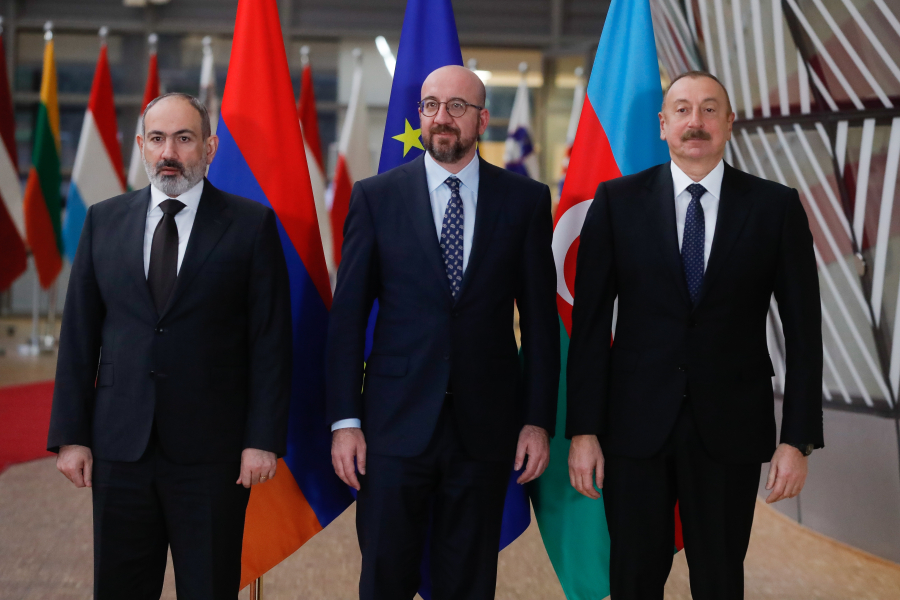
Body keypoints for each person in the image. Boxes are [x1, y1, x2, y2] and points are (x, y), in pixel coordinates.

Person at [566, 71, 823, 599]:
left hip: (731, 428)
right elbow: (589, 328)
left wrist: (796, 439)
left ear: (729, 123)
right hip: (634, 427)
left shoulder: (775, 207)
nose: (695, 121)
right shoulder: (616, 202)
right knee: (633, 580)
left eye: (709, 109)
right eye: (682, 110)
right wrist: (584, 431)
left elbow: (804, 335)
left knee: (720, 581)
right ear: (663, 125)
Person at [326, 65, 559, 600]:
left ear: (482, 118)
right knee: (385, 577)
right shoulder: (376, 197)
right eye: (431, 105)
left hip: (485, 428)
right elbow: (347, 319)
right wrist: (345, 421)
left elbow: (540, 323)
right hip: (392, 426)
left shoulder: (524, 200)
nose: (442, 117)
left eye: (457, 106)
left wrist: (536, 421)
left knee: (468, 583)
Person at [47, 93, 292, 600]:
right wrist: (71, 436)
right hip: (120, 449)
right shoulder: (103, 221)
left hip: (214, 456)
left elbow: (270, 342)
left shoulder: (251, 225)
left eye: (184, 138)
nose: (169, 153)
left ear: (210, 147)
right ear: (141, 145)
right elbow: (79, 337)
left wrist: (262, 438)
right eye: (157, 139)